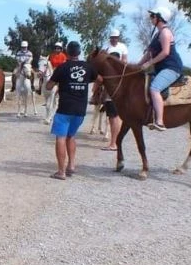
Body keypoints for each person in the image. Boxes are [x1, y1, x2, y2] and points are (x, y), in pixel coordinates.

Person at [45, 41, 98, 180]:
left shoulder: (62, 68)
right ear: (79, 52)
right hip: (80, 110)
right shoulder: (88, 67)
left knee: (61, 138)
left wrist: (51, 81)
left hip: (64, 109)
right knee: (71, 136)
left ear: (67, 53)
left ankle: (61, 172)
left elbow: (49, 87)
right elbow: (100, 79)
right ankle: (71, 166)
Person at [137, 7, 183, 131]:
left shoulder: (165, 33)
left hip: (171, 68)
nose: (150, 19)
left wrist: (149, 63)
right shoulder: (157, 33)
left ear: (159, 18)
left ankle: (160, 121)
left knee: (154, 88)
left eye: (152, 16)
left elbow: (165, 53)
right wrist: (137, 66)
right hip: (161, 68)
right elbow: (148, 53)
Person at [99, 29, 129, 150]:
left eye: (115, 37)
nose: (113, 39)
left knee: (113, 115)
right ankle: (96, 97)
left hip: (118, 75)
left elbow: (125, 61)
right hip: (108, 75)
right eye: (112, 37)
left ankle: (114, 143)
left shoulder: (123, 47)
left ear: (118, 37)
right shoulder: (105, 47)